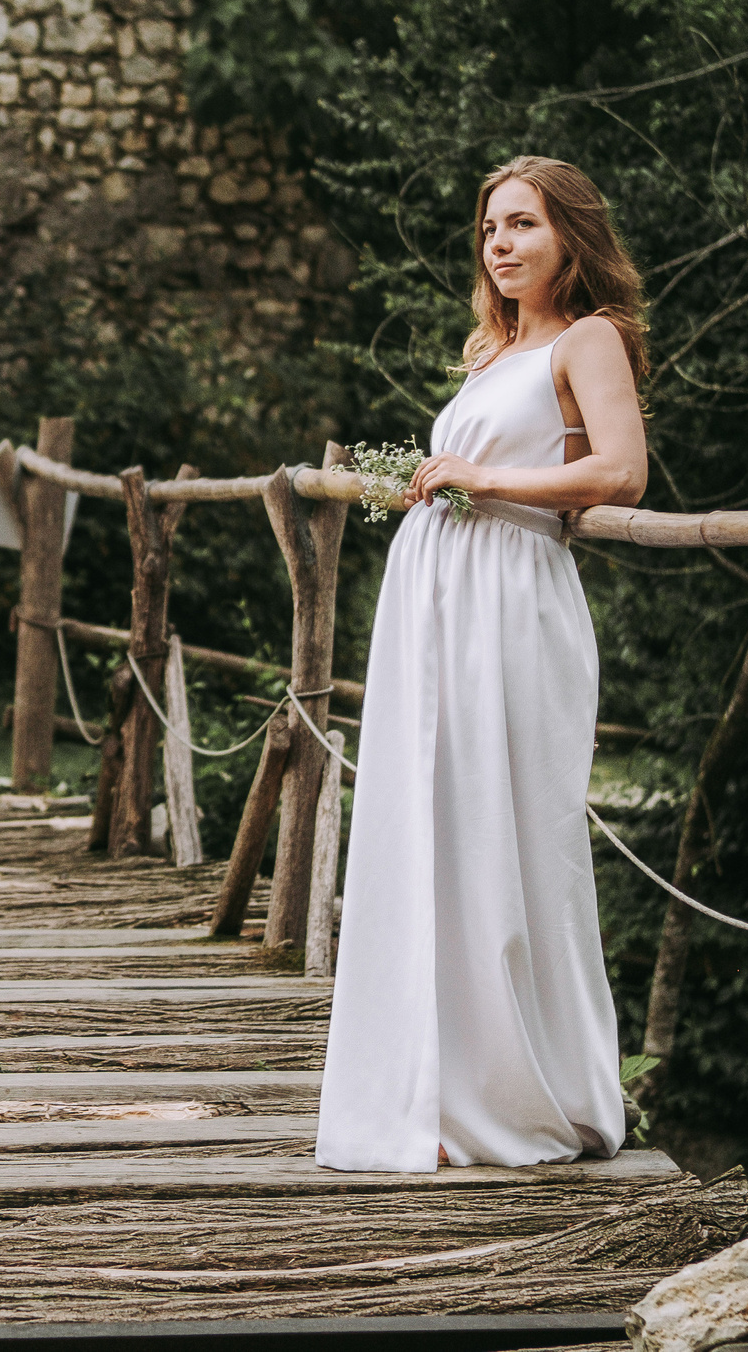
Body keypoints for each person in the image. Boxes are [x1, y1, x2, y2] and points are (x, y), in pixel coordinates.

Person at [314, 154, 650, 1174]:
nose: (501, 243)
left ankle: (523, 1087)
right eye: (491, 227)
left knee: (508, 829)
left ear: (569, 236)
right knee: (433, 822)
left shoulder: (589, 338)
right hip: (439, 601)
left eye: (524, 224)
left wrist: (480, 477)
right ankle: (436, 1080)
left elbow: (622, 471)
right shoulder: (492, 350)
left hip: (511, 600)